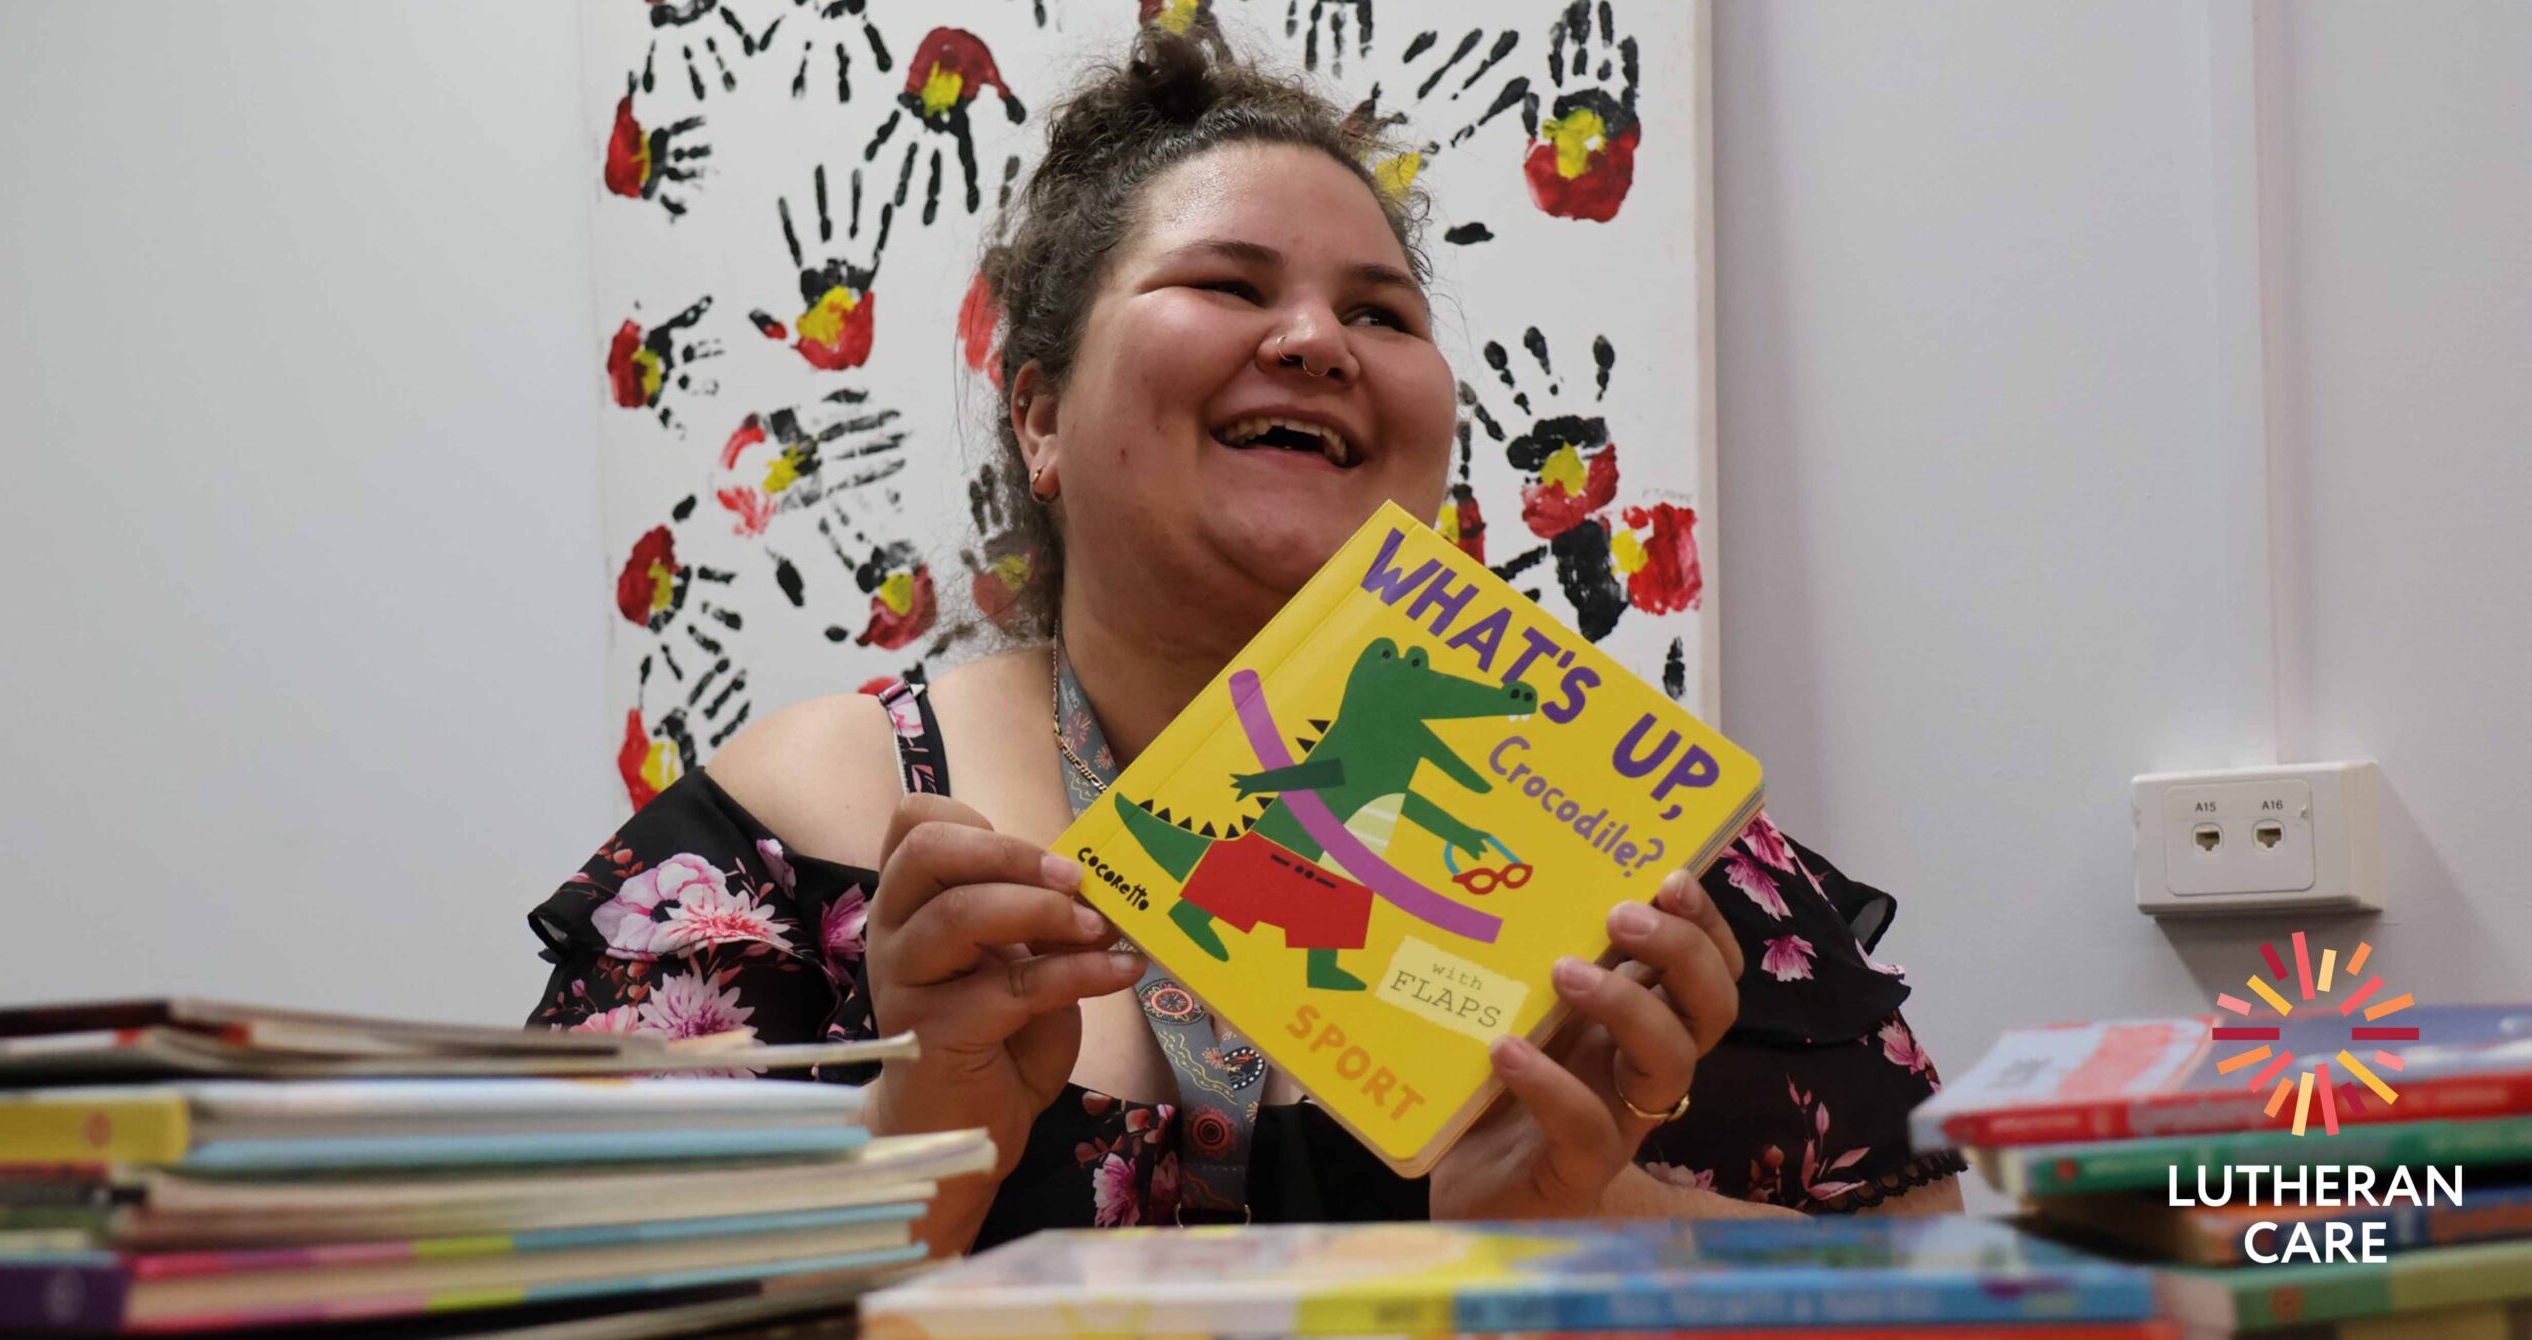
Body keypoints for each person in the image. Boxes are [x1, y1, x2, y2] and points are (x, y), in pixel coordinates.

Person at [528, 22, 1963, 1255]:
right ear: (1038, 413)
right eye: (1227, 286)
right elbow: (537, 1291)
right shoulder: (804, 831)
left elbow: (1944, 1291)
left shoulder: (1646, 859)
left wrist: (1609, 1227)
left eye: (1380, 311)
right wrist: (921, 1148)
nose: (1315, 341)